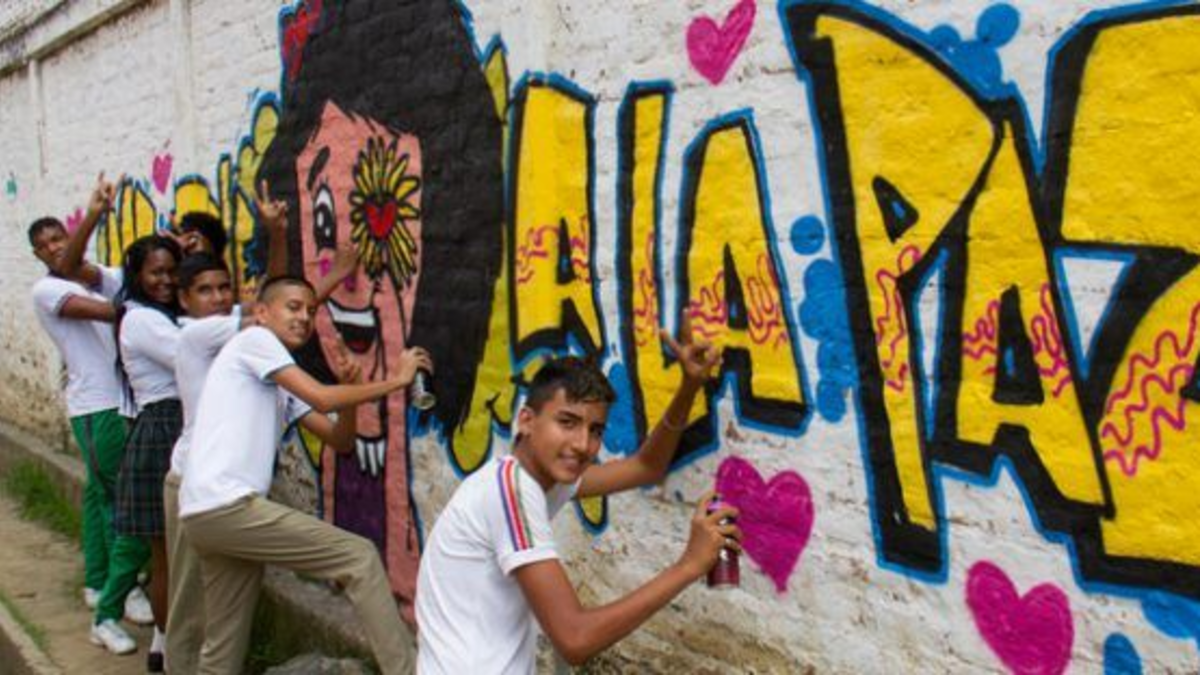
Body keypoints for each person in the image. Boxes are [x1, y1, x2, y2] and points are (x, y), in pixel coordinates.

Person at [415, 318, 739, 673]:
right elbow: (575, 639)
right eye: (567, 422)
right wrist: (689, 566)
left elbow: (645, 467)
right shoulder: (511, 492)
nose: (583, 444)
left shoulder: (538, 478)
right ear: (527, 420)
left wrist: (689, 387)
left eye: (595, 430)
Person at [180, 276, 431, 674]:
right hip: (227, 505)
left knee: (222, 651)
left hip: (205, 514)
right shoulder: (255, 341)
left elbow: (340, 439)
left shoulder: (279, 379)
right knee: (360, 557)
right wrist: (397, 382)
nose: (304, 318)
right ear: (262, 313)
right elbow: (321, 397)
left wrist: (350, 392)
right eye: (293, 307)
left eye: (311, 311)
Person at [163, 199, 356, 674]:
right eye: (204, 291)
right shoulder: (200, 336)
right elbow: (278, 309)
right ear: (185, 301)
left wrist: (280, 237)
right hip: (192, 482)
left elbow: (283, 306)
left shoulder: (260, 353)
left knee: (228, 614)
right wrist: (318, 264)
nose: (217, 297)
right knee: (190, 606)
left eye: (222, 288)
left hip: (234, 493)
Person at [29, 175, 153, 658]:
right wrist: (145, 305)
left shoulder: (98, 274)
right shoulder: (46, 291)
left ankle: (98, 582)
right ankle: (125, 590)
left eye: (58, 237)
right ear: (37, 254)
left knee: (100, 495)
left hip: (113, 403)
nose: (54, 247)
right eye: (45, 245)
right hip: (97, 406)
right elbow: (108, 313)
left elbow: (110, 278)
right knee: (120, 501)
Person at [113, 234, 186, 671]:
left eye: (173, 271)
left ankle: (162, 648)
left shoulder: (165, 316)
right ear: (137, 276)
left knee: (174, 556)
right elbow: (190, 356)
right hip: (163, 431)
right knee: (168, 558)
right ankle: (171, 651)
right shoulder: (141, 320)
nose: (166, 280)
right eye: (156, 272)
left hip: (168, 428)